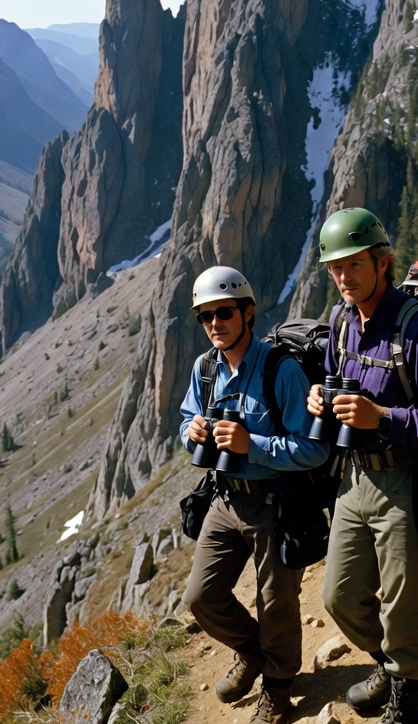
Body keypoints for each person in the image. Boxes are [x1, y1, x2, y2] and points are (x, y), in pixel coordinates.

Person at [305, 207, 418, 724]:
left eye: (353, 265)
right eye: (335, 268)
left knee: (403, 603)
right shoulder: (341, 321)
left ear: (381, 261)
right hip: (356, 477)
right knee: (340, 596)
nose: (344, 278)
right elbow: (335, 375)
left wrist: (384, 417)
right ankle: (391, 666)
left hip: (410, 479)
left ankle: (408, 703)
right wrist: (319, 398)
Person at [179, 266, 329, 724]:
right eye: (205, 316)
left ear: (247, 312)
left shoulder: (278, 370)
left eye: (223, 313)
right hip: (224, 500)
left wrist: (252, 446)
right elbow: (186, 420)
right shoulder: (205, 369)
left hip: (273, 503)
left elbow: (314, 449)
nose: (214, 324)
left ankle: (279, 688)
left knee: (276, 604)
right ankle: (251, 652)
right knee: (201, 597)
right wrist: (195, 432)